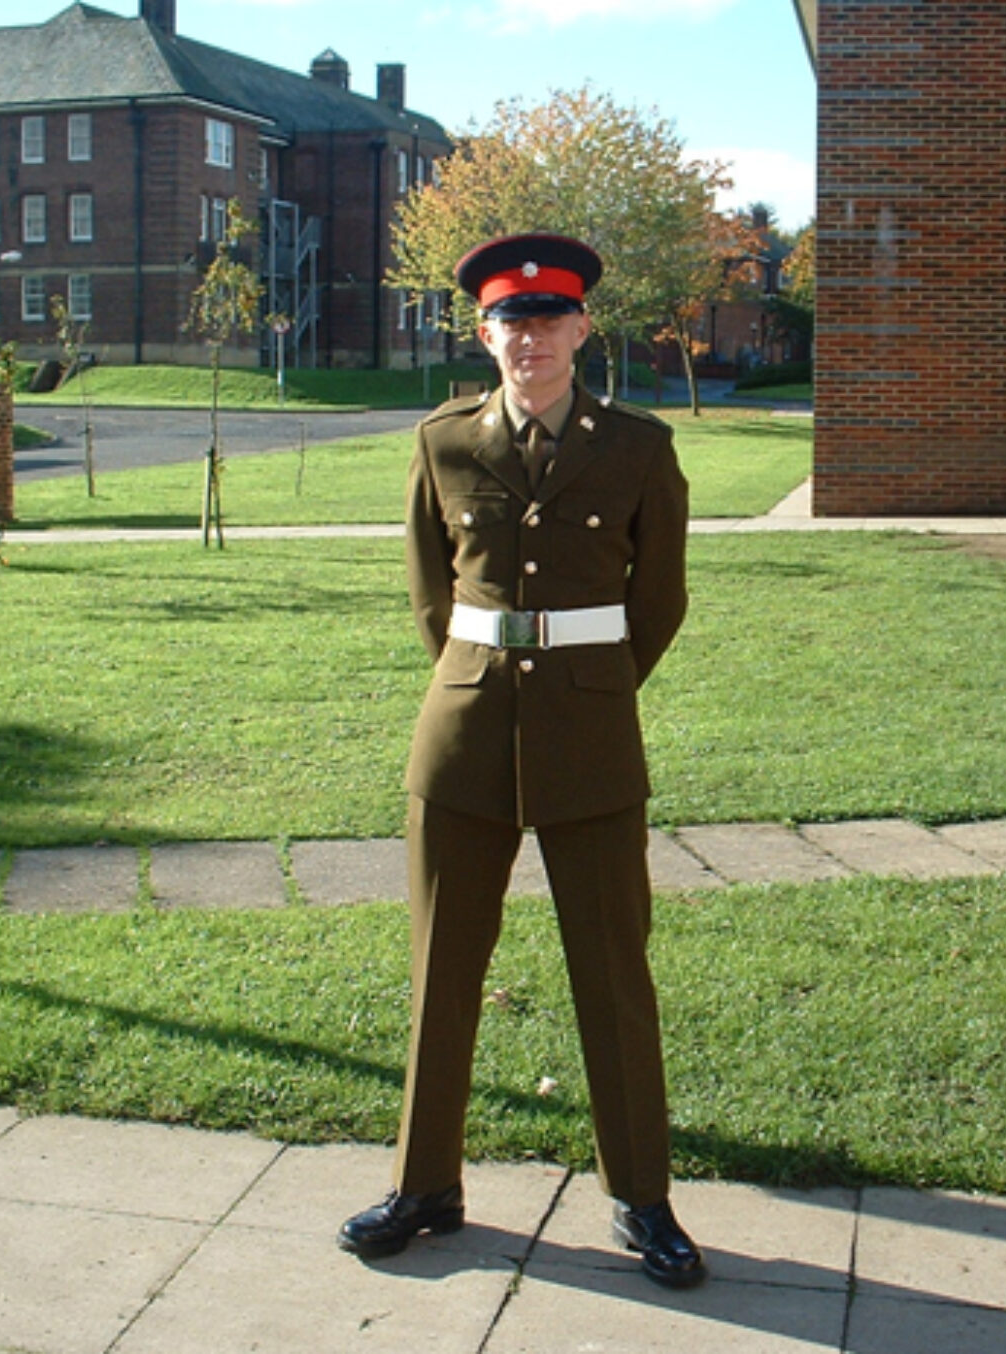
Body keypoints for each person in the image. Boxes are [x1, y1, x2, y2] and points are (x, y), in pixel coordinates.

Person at [338, 232, 703, 1289]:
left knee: (613, 972)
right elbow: (428, 593)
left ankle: (642, 1196)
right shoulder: (444, 441)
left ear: (584, 328)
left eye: (550, 319)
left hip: (591, 736)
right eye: (511, 319)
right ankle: (424, 1185)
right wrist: (478, 676)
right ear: (485, 331)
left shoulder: (637, 447)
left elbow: (661, 599)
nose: (530, 338)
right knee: (442, 967)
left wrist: (592, 685)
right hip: (462, 734)